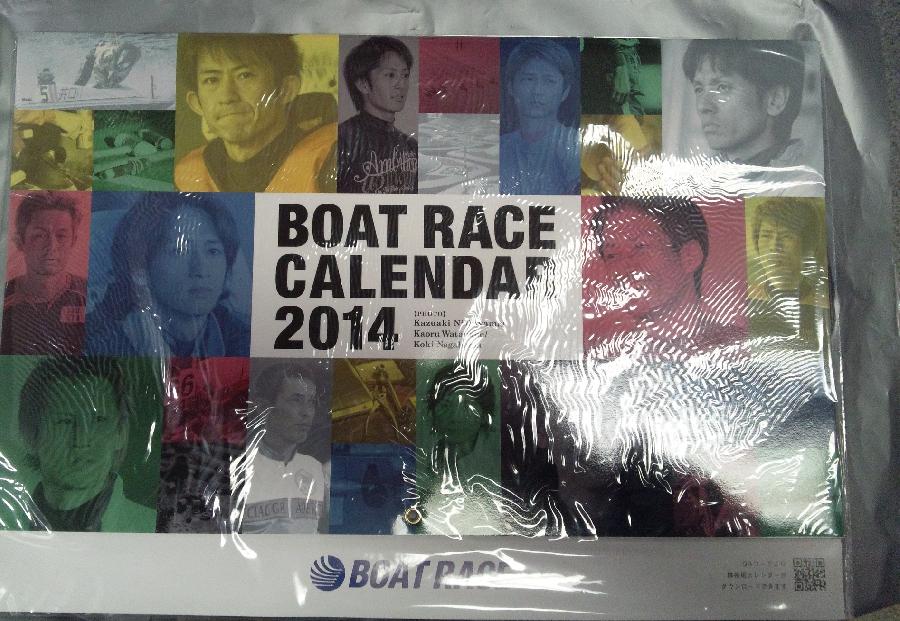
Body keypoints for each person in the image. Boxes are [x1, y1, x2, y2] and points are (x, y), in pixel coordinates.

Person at [86, 192, 250, 358]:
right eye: (179, 251)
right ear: (140, 267)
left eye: (212, 251)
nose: (200, 270)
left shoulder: (243, 338)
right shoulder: (97, 346)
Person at [582, 196, 742, 358]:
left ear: (689, 256)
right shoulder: (603, 358)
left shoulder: (736, 349)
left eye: (640, 247)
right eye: (611, 255)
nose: (623, 269)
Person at [174, 33, 336, 193]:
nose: (227, 96)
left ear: (286, 90)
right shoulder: (190, 174)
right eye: (211, 80)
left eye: (245, 75)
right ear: (196, 103)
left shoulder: (330, 158)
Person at [9, 357, 155, 532]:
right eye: (64, 421)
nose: (81, 441)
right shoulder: (7, 522)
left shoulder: (151, 528)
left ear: (121, 433)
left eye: (99, 420)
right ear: (30, 435)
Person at [232, 363, 332, 534]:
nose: (307, 412)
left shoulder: (315, 469)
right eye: (296, 400)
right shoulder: (238, 469)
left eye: (311, 402)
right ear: (264, 407)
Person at [681, 40, 807, 168]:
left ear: (775, 100)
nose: (702, 106)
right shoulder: (700, 173)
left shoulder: (804, 179)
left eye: (722, 87)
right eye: (699, 89)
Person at [412, 361, 504, 537]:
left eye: (467, 405)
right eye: (446, 405)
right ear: (433, 412)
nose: (454, 416)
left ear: (484, 413)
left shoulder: (498, 457)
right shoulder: (434, 455)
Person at [2, 193, 86, 355]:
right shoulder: (4, 298)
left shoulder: (91, 296)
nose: (52, 246)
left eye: (61, 236)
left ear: (73, 240)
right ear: (20, 241)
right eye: (40, 235)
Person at [337, 36, 418, 194]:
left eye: (405, 75)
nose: (401, 85)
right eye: (390, 75)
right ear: (363, 84)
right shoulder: (342, 140)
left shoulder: (411, 147)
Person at [499, 39, 580, 195]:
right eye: (529, 79)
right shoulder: (499, 148)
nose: (537, 91)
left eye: (549, 81)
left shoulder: (576, 146)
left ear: (565, 91)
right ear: (510, 86)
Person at [747, 197, 829, 347]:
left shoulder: (824, 305)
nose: (774, 246)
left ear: (806, 245)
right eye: (766, 235)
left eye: (787, 236)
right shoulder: (743, 300)